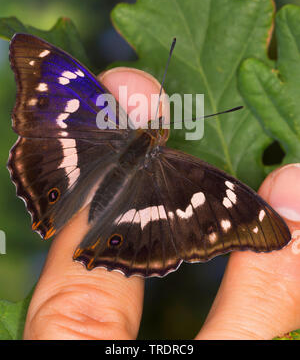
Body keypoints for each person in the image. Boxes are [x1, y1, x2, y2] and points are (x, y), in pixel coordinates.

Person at [23, 68, 300, 340]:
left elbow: (233, 211)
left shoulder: (112, 123)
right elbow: (49, 73)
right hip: (116, 197)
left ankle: (55, 207)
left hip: (77, 171)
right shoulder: (188, 175)